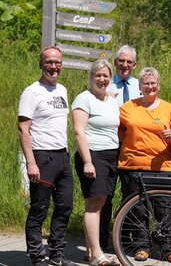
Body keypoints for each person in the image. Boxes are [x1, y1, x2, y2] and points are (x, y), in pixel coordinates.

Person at [17, 46, 78, 266]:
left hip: (62, 157)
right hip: (42, 158)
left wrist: (67, 152)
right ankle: (36, 257)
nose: (53, 66)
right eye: (49, 62)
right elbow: (23, 129)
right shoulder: (31, 92)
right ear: (41, 64)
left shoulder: (62, 90)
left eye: (57, 62)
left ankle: (57, 255)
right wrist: (31, 163)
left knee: (64, 207)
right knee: (39, 209)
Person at [118, 67, 171, 263]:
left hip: (162, 166)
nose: (150, 86)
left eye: (153, 83)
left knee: (165, 208)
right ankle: (141, 247)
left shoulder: (169, 108)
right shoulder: (128, 107)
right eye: (146, 83)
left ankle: (168, 248)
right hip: (132, 165)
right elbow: (119, 131)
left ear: (159, 86)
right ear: (139, 86)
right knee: (138, 209)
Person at [72, 59, 120, 266]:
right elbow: (78, 131)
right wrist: (88, 162)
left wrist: (110, 96)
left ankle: (91, 252)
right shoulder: (83, 99)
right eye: (98, 75)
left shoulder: (110, 99)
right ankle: (98, 255)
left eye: (106, 75)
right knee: (93, 205)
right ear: (91, 77)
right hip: (93, 155)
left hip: (111, 155)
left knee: (101, 203)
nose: (102, 79)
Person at [100, 45, 141, 251]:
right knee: (105, 193)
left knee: (132, 193)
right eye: (121, 61)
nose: (125, 65)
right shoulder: (106, 83)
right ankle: (102, 240)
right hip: (108, 145)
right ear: (115, 62)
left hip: (132, 146)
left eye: (129, 62)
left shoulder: (139, 85)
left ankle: (129, 239)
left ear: (134, 65)